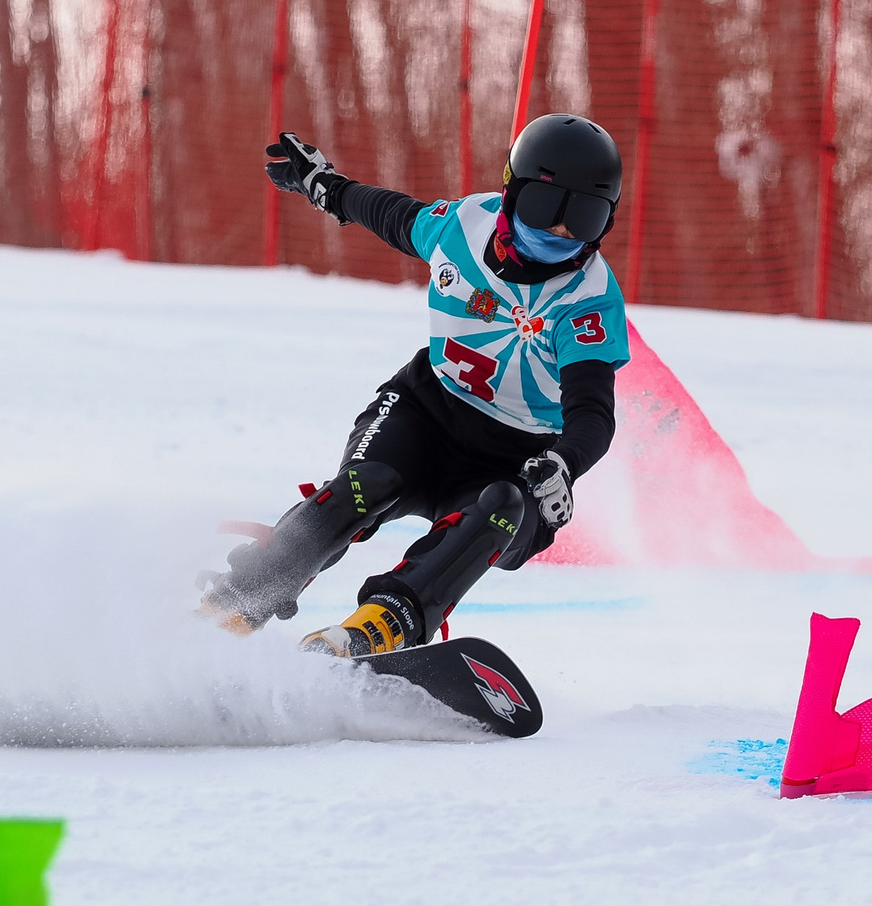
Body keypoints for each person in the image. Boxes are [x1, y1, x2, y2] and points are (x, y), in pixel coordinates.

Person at [199, 113, 632, 657]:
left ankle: (385, 623)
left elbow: (593, 411)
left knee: (502, 503)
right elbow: (387, 213)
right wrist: (322, 184)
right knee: (365, 484)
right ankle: (237, 600)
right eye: (547, 207)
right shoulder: (463, 228)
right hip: (425, 414)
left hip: (516, 461)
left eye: (585, 217)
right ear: (511, 192)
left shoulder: (588, 300)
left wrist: (564, 466)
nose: (561, 232)